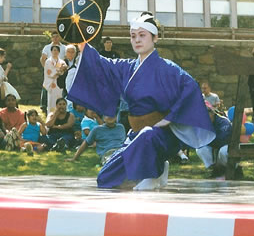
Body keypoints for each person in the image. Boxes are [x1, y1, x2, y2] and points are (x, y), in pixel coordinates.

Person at [67, 11, 214, 190]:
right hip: (136, 135)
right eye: (133, 36)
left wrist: (169, 118)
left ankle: (153, 172)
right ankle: (158, 167)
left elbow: (191, 89)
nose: (137, 40)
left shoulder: (168, 69)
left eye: (142, 35)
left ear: (155, 37)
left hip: (162, 136)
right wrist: (82, 43)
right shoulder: (127, 67)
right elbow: (101, 64)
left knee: (147, 135)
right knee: (106, 178)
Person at [195, 102, 232, 176]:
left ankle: (229, 168)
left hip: (227, 145)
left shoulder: (223, 121)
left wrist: (208, 140)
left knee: (223, 151)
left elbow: (223, 139)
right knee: (200, 149)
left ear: (212, 114)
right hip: (213, 144)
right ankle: (213, 168)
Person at [40, 31, 66, 114]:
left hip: (60, 70)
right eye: (53, 36)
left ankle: (60, 107)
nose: (55, 38)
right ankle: (44, 106)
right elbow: (43, 58)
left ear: (60, 37)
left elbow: (65, 59)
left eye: (57, 36)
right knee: (47, 91)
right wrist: (47, 69)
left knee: (60, 91)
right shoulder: (47, 47)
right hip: (49, 71)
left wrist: (62, 69)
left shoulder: (64, 47)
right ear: (51, 38)